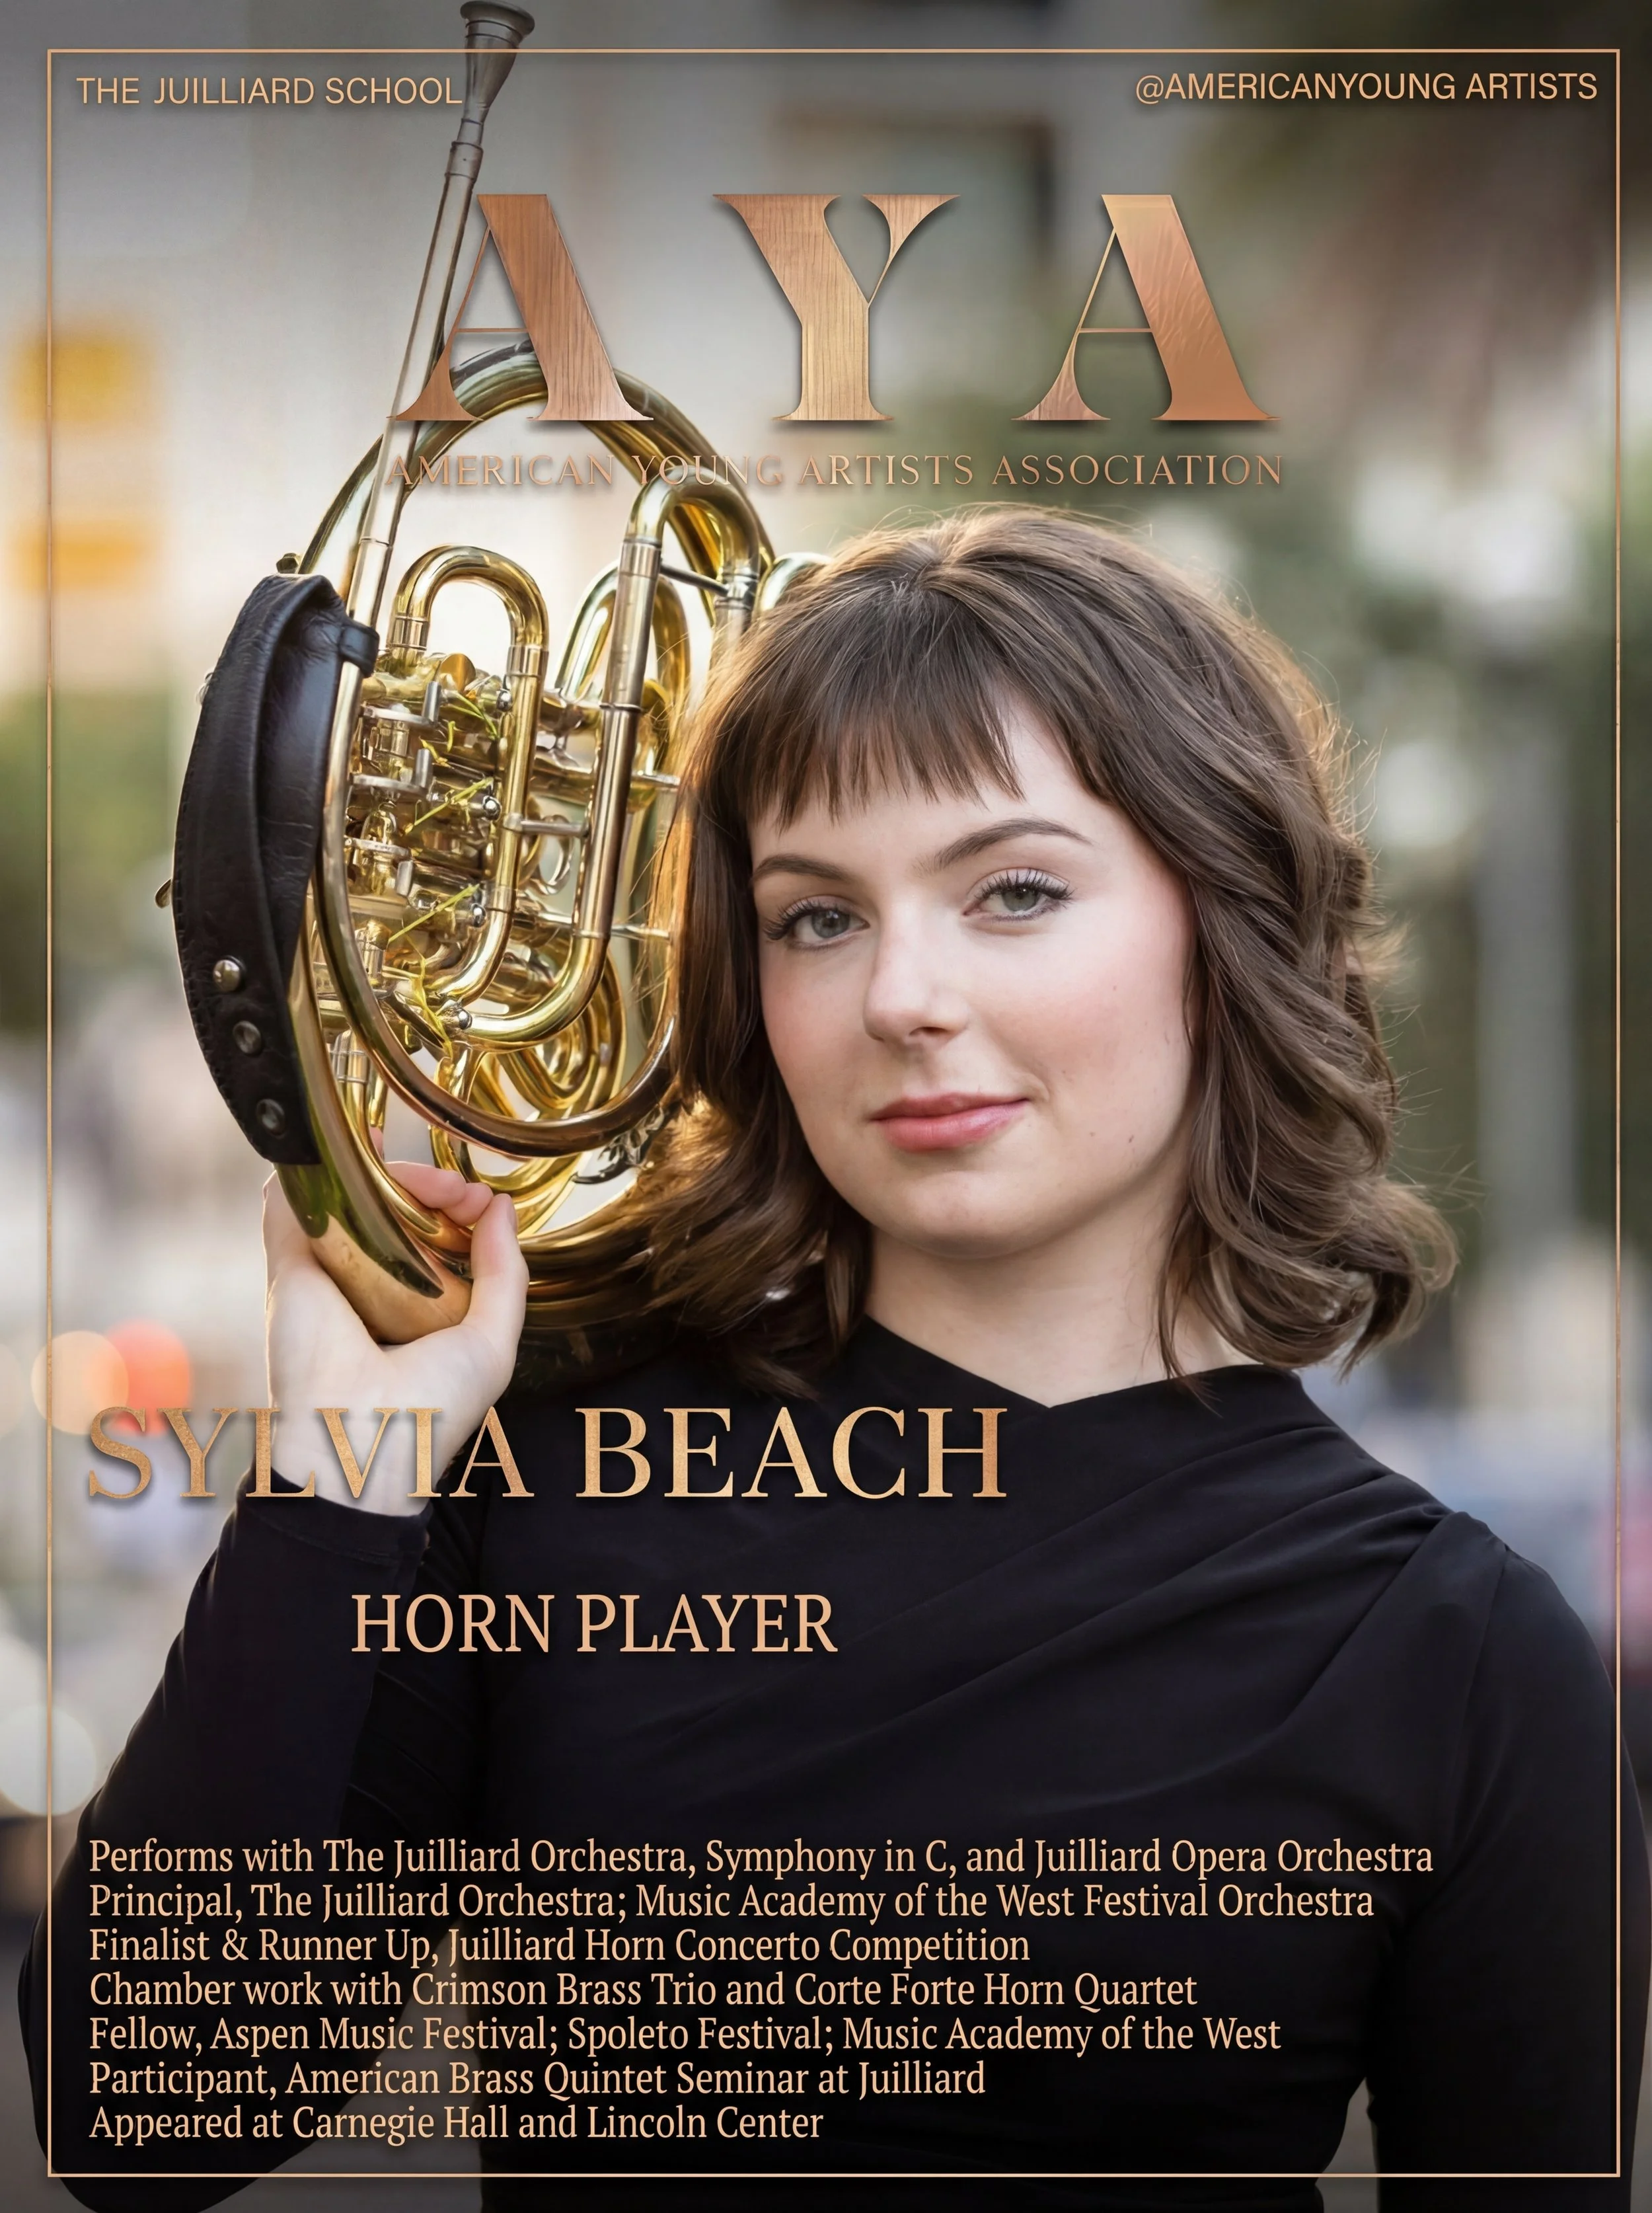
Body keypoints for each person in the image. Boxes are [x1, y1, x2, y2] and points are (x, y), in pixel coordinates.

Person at [25, 510, 1647, 2210]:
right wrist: (337, 1481)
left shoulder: (1462, 1657)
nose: (899, 997)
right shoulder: (551, 1486)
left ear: (1226, 923)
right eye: (815, 918)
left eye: (1013, 891)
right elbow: (132, 2125)